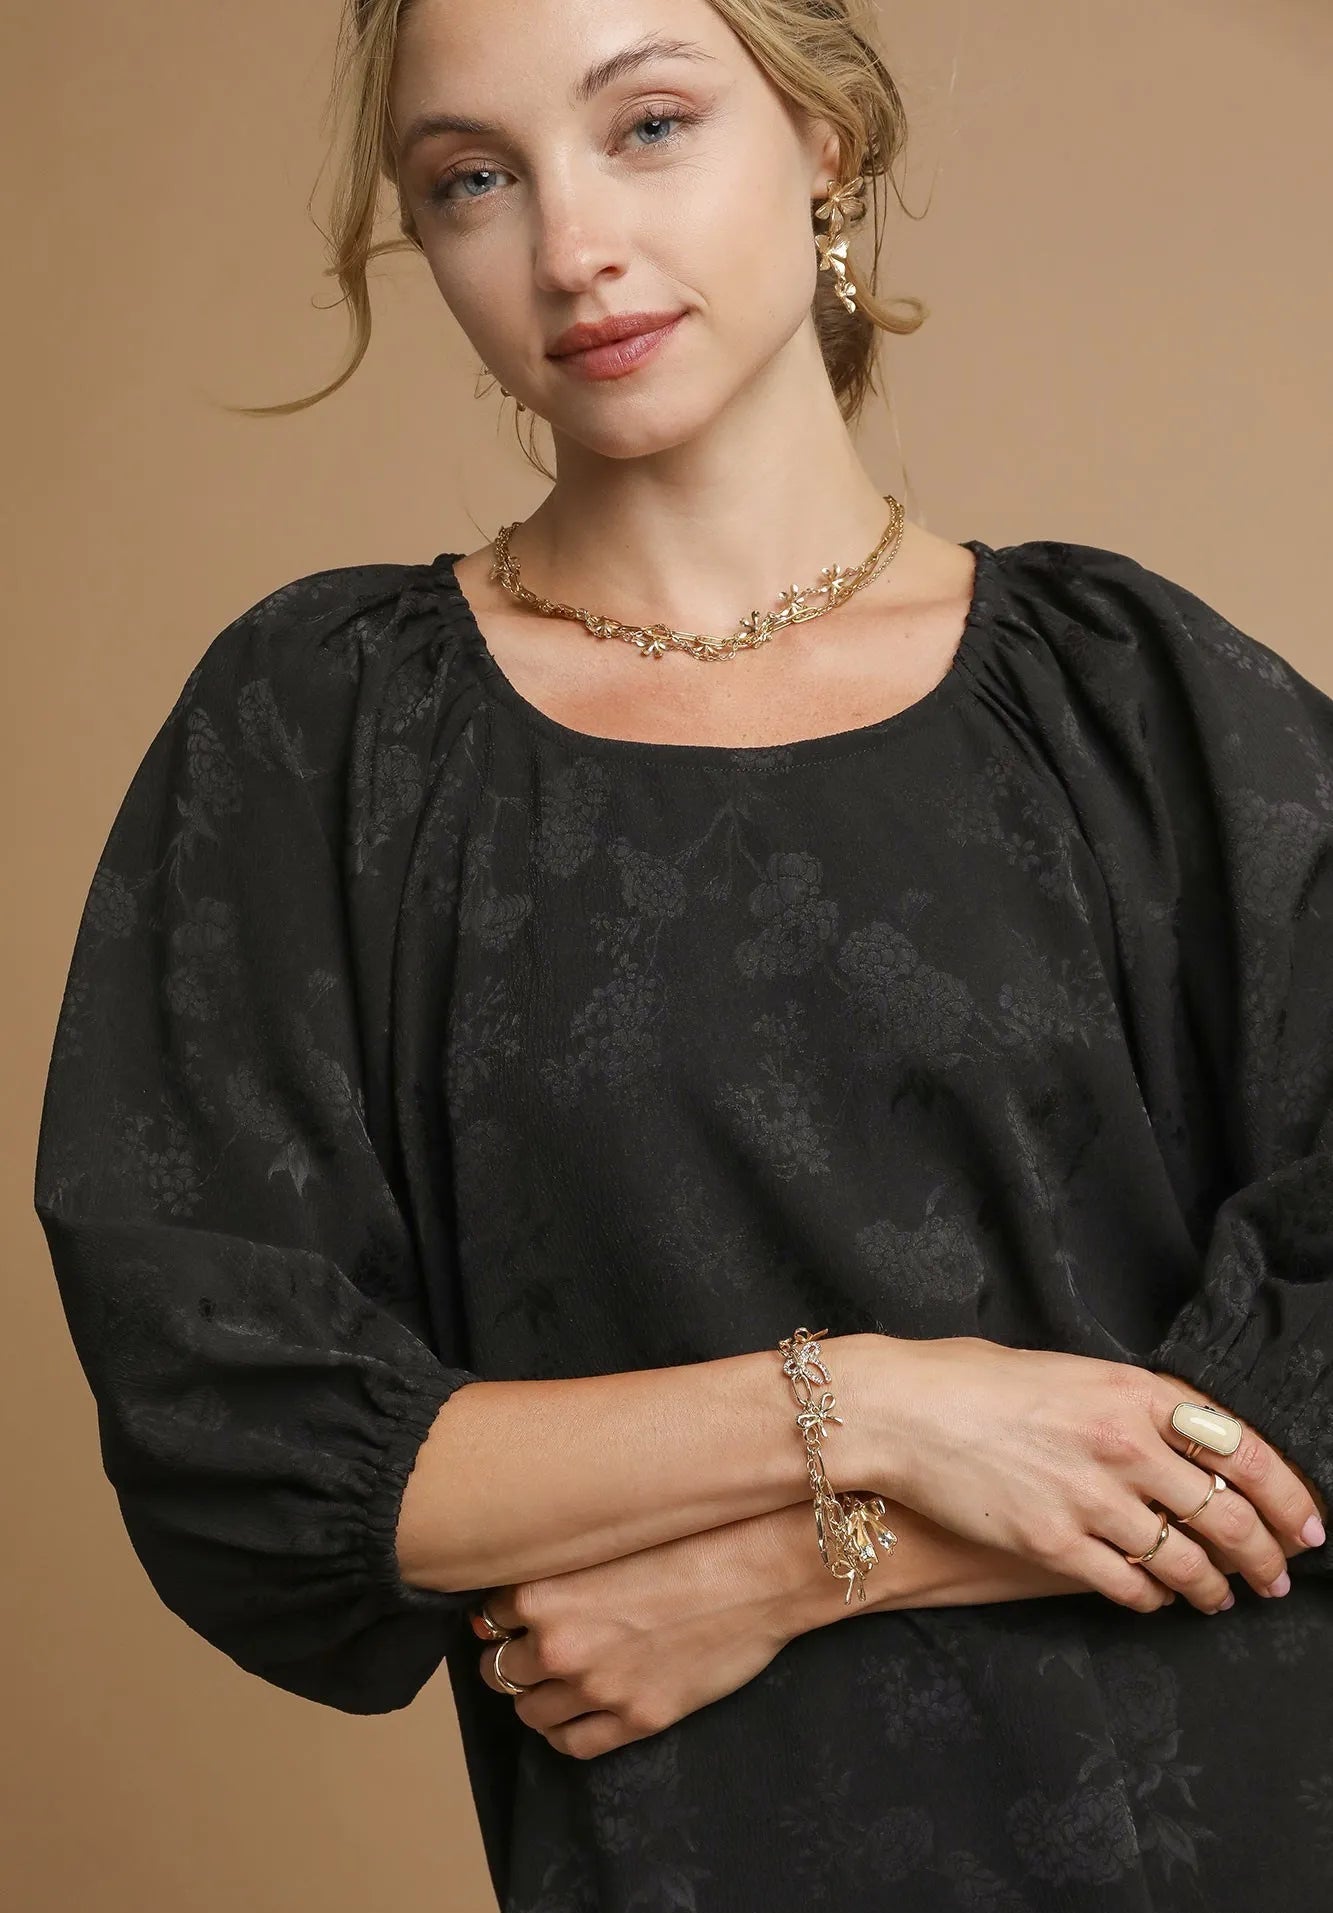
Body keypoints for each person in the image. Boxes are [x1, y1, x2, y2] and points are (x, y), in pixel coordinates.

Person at [33, 1, 1332, 1909]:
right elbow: (244, 1421)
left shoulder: (1132, 701)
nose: (567, 246)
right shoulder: (329, 735)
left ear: (822, 139)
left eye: (646, 124)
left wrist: (809, 1555)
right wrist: (890, 1403)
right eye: (471, 179)